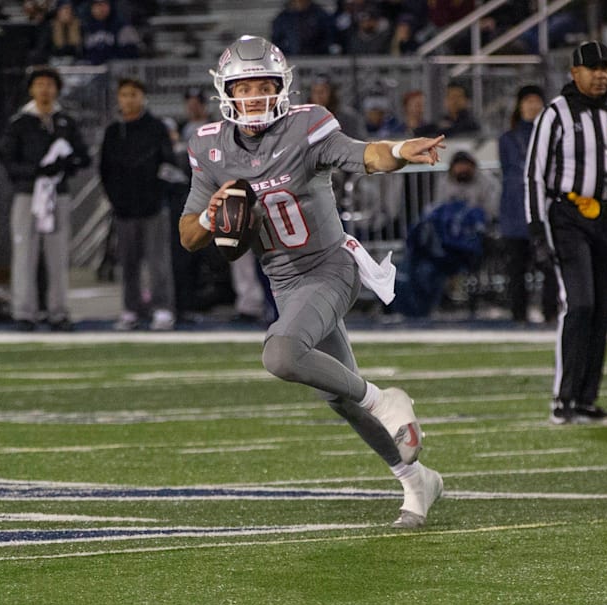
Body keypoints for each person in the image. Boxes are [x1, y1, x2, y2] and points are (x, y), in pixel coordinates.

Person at [180, 35, 446, 528]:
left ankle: (386, 400)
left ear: (281, 87)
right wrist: (210, 217)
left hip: (330, 267)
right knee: (339, 396)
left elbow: (366, 155)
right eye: (245, 87)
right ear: (227, 92)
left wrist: (401, 150)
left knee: (281, 355)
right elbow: (188, 235)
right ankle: (417, 480)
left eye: (264, 85)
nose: (255, 97)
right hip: (285, 284)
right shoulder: (209, 147)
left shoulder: (307, 126)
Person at [526, 41, 607, 424]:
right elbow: (534, 175)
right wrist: (537, 232)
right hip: (567, 216)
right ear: (574, 73)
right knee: (580, 304)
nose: (601, 75)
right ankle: (563, 399)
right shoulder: (555, 114)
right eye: (593, 68)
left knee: (602, 309)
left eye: (605, 68)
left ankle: (586, 400)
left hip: (605, 217)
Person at [0, 65, 90, 331]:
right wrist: (36, 171)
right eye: (39, 85)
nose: (44, 90)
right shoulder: (20, 123)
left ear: (57, 89)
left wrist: (67, 165)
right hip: (28, 194)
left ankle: (58, 311)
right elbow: (8, 161)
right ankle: (24, 312)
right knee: (24, 254)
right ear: (31, 89)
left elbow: (83, 155)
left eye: (49, 85)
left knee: (57, 255)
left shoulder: (65, 121)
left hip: (57, 195)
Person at [99, 77, 177, 331]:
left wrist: (158, 194)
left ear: (142, 97)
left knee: (158, 262)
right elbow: (105, 170)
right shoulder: (113, 132)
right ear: (118, 99)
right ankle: (131, 309)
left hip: (153, 207)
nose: (129, 100)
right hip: (124, 209)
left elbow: (168, 164)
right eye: (124, 95)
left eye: (134, 94)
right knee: (128, 262)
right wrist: (115, 199)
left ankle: (162, 308)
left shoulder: (156, 127)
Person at [498, 84, 556, 324]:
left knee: (550, 265)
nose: (532, 106)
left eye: (536, 101)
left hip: (544, 210)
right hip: (515, 212)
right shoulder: (508, 139)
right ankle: (518, 314)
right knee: (516, 267)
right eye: (528, 101)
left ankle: (550, 312)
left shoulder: (551, 136)